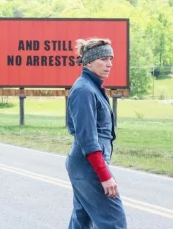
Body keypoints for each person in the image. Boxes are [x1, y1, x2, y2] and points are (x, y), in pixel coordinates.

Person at [65, 38, 127, 229]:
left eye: (111, 59)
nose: (109, 64)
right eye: (103, 59)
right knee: (114, 222)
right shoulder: (84, 90)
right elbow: (88, 139)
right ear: (88, 62)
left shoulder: (92, 87)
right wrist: (105, 175)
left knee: (81, 222)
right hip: (88, 166)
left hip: (85, 165)